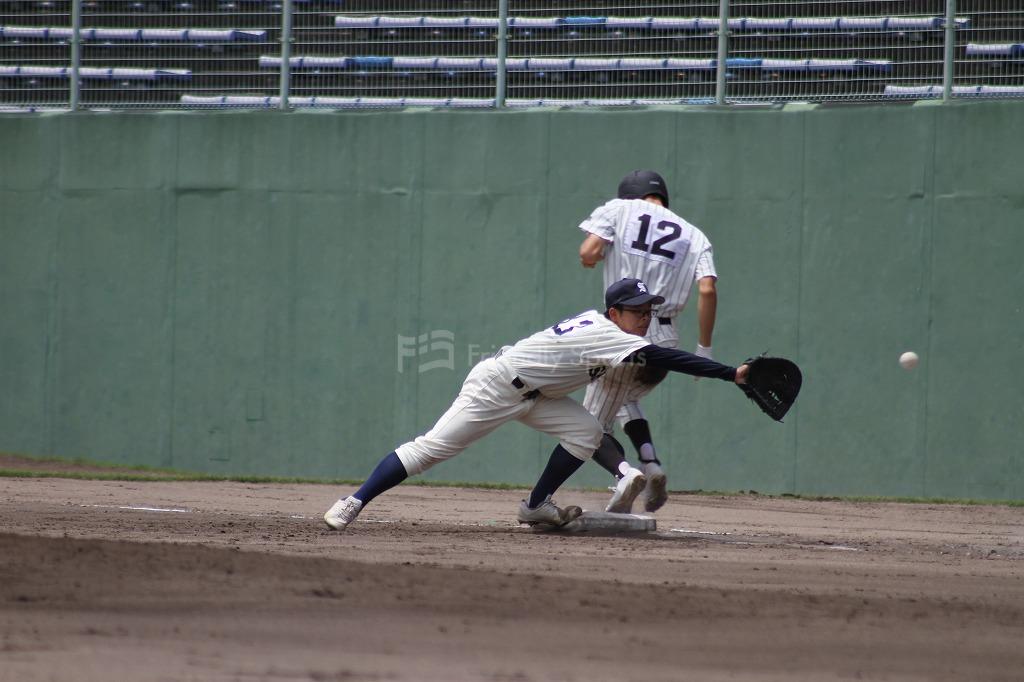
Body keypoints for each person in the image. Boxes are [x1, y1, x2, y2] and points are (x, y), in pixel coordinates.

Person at [324, 278, 748, 531]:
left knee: (587, 432)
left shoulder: (608, 328)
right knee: (429, 450)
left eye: (649, 309)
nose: (645, 316)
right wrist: (731, 373)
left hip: (539, 396)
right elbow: (666, 358)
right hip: (497, 387)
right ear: (615, 312)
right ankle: (354, 502)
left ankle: (535, 506)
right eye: (637, 310)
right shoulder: (607, 333)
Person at [577, 170, 720, 514]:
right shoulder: (695, 235)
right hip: (664, 341)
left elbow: (589, 250)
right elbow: (707, 288)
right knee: (624, 398)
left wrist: (591, 258)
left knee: (585, 426)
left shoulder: (619, 209)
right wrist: (704, 349)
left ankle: (625, 476)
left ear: (630, 195)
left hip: (623, 333)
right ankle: (651, 462)